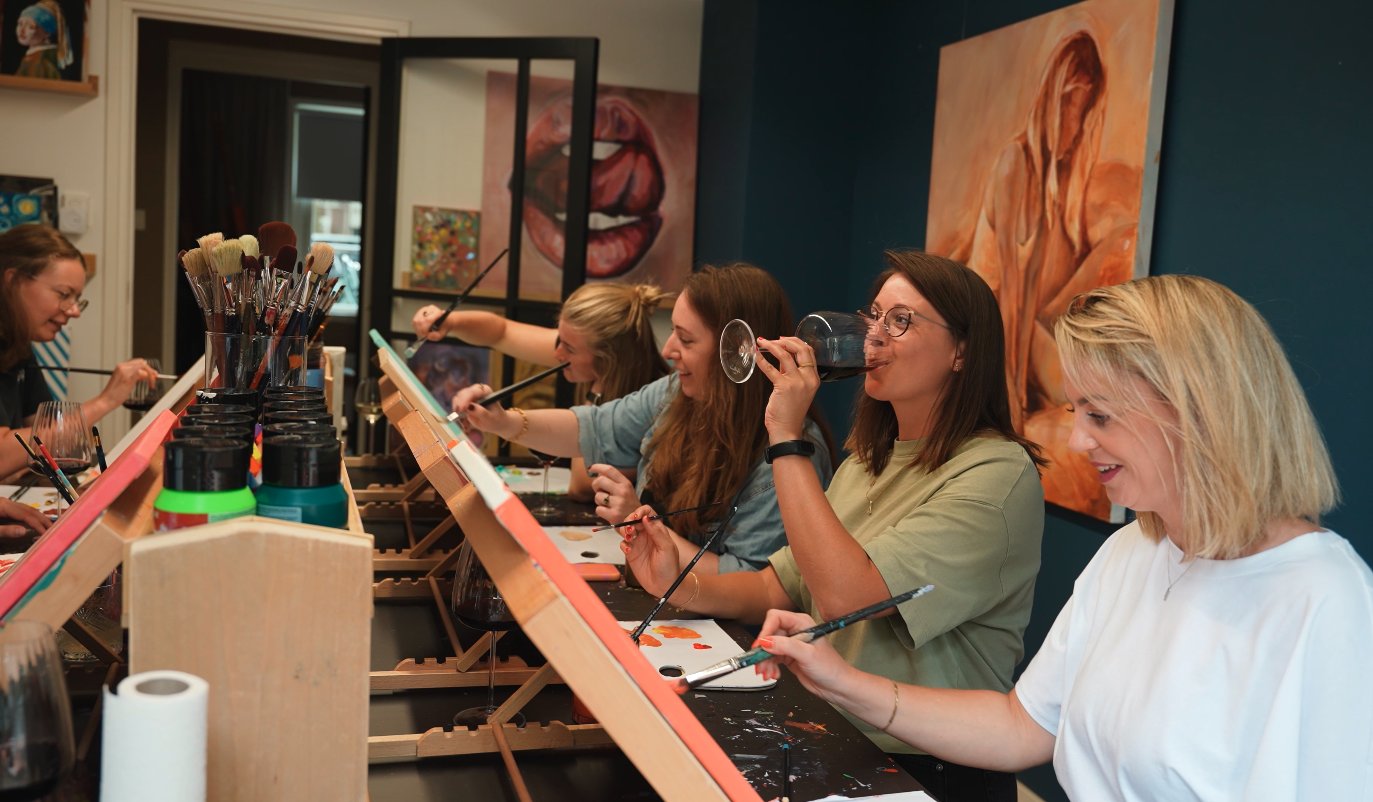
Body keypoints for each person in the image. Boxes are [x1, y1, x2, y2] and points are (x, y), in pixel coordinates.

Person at [752, 275, 1372, 802]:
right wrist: (839, 678)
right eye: (1077, 413)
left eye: (1101, 415)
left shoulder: (1324, 599)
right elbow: (1023, 726)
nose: (1078, 441)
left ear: (1200, 410)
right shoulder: (1132, 551)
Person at [621, 250, 1045, 801]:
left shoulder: (997, 474)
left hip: (930, 768)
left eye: (901, 321)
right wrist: (678, 583)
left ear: (961, 351)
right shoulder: (867, 460)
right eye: (874, 316)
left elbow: (847, 596)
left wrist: (786, 436)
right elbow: (778, 586)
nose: (874, 336)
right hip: (839, 734)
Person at [453, 263, 836, 573]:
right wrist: (502, 422)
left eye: (686, 339)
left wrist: (642, 525)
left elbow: (751, 581)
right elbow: (593, 427)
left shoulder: (788, 454)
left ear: (738, 353)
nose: (668, 350)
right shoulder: (674, 394)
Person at [413, 282, 671, 501]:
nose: (556, 353)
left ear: (608, 360)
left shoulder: (651, 402)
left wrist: (597, 391)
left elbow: (580, 485)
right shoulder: (580, 349)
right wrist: (451, 322)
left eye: (569, 349)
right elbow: (501, 332)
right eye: (558, 339)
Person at [0, 225, 160, 477]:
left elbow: (49, 438)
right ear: (13, 280)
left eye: (76, 299)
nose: (74, 311)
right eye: (63, 294)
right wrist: (105, 401)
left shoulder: (18, 345)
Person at [13, 0, 74, 80]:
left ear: (47, 32)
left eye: (31, 26)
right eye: (20, 24)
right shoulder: (41, 57)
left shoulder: (38, 62)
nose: (22, 30)